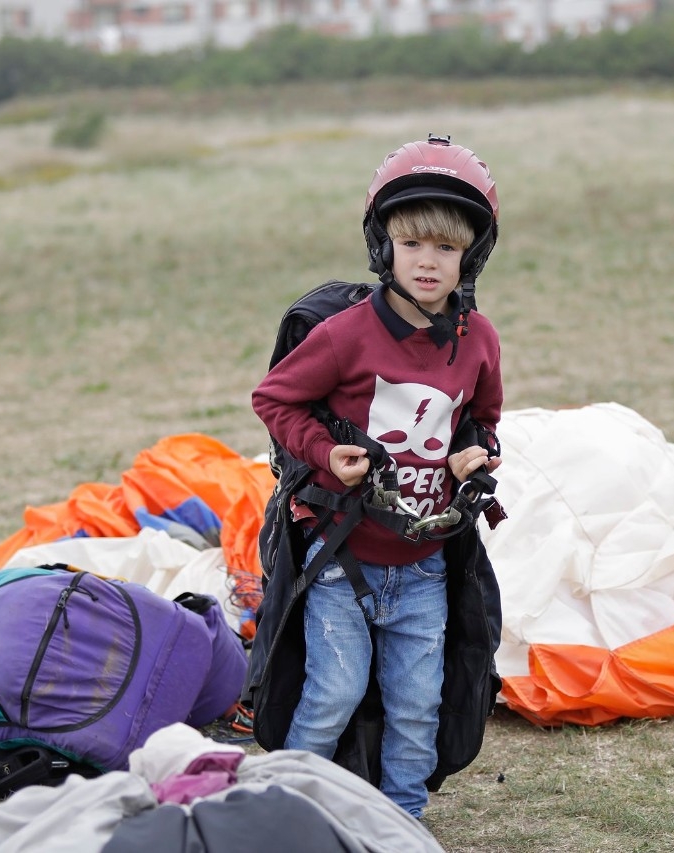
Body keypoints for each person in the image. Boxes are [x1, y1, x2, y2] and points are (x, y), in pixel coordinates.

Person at [250, 134, 504, 819]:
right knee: (333, 690)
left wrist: (476, 455)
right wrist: (326, 454)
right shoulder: (344, 334)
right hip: (345, 559)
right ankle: (287, 811)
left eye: (446, 248)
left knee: (418, 705)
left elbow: (483, 419)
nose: (428, 261)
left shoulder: (478, 340)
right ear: (382, 244)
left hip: (424, 565)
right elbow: (274, 400)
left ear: (470, 257)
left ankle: (400, 823)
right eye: (412, 243)